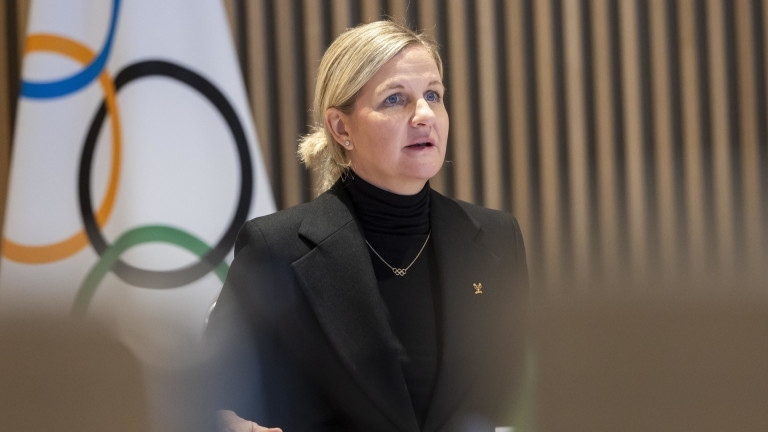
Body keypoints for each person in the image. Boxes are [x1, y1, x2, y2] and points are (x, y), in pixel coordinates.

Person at [207, 20, 530, 432]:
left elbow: (517, 397)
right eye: (395, 99)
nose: (424, 115)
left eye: (433, 95)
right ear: (341, 128)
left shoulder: (497, 239)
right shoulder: (276, 248)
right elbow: (205, 402)